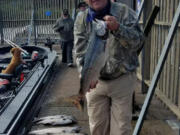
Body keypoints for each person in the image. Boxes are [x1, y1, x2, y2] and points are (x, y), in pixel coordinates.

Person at [74, 0, 144, 135]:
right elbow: (79, 53)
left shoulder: (124, 12)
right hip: (95, 82)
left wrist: (118, 28)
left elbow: (138, 42)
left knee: (121, 130)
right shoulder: (81, 19)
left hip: (122, 79)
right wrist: (85, 77)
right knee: (97, 129)